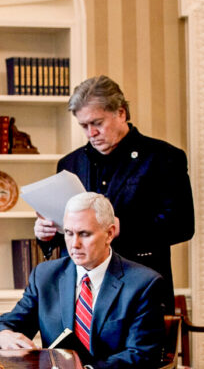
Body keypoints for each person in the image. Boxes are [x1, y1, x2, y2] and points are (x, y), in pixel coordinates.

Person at [34, 75, 194, 313]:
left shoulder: (164, 157)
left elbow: (182, 224)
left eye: (97, 123)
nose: (91, 133)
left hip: (141, 290)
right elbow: (67, 233)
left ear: (121, 113)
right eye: (84, 126)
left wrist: (123, 227)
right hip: (81, 295)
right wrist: (46, 234)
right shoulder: (69, 164)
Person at [0, 192, 166, 369]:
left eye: (84, 234)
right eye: (69, 233)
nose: (74, 244)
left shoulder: (144, 283)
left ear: (109, 234)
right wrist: (1, 335)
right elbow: (6, 324)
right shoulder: (45, 275)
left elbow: (140, 354)